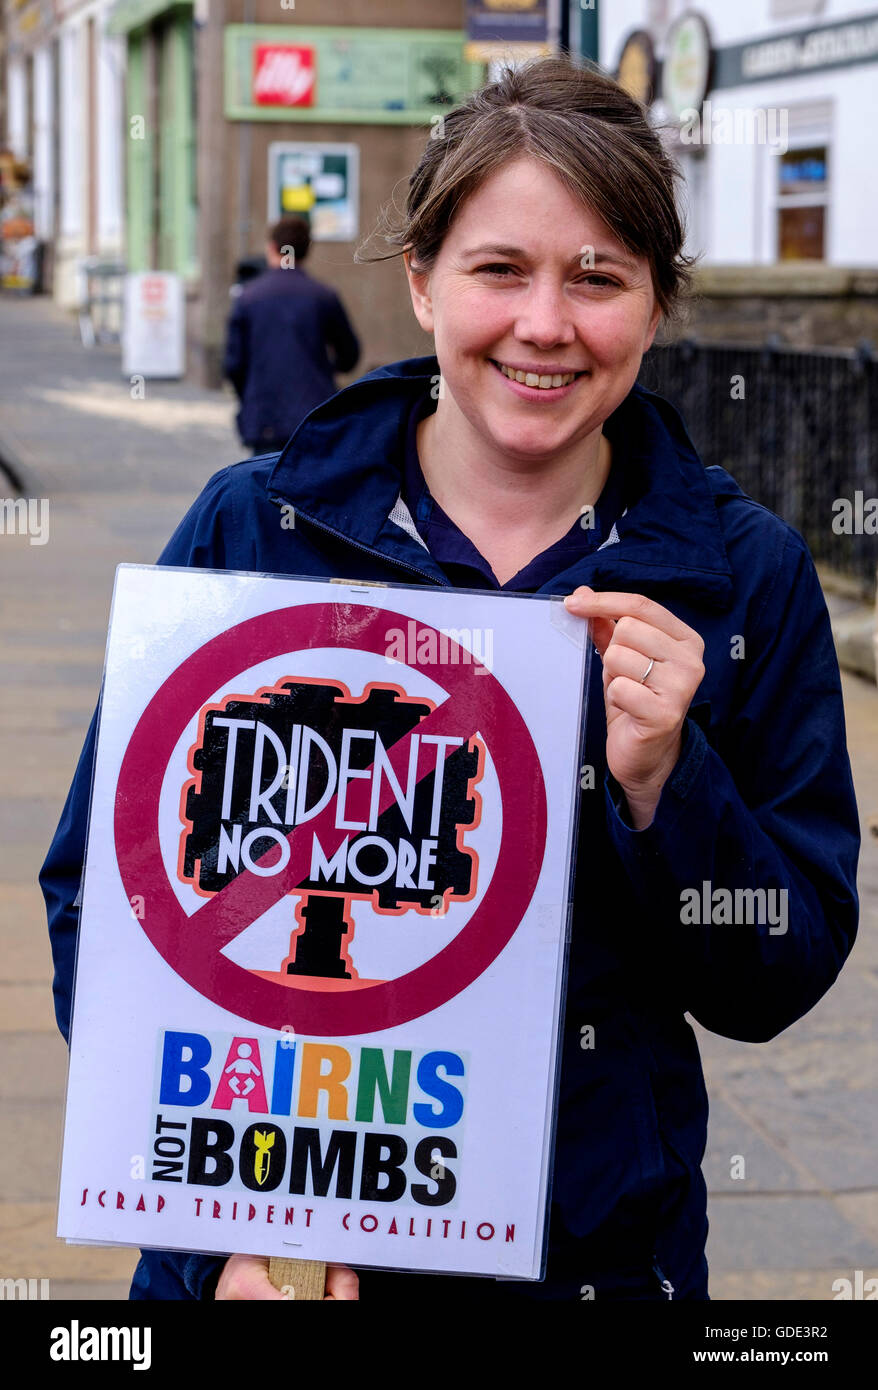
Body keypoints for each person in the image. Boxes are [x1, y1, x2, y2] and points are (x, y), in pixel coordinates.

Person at [40, 57, 859, 1302]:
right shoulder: (254, 529)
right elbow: (105, 898)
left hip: (588, 1259)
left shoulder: (743, 576)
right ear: (421, 282)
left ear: (654, 305)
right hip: (278, 1247)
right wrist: (216, 1246)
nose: (544, 323)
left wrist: (665, 788)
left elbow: (775, 975)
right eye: (497, 269)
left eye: (597, 277)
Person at [222, 213, 360, 454]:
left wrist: (250, 394)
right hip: (314, 413)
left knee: (265, 486)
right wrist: (325, 368)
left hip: (265, 416)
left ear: (272, 247)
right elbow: (350, 355)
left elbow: (233, 364)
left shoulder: (248, 297)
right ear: (307, 250)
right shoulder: (323, 295)